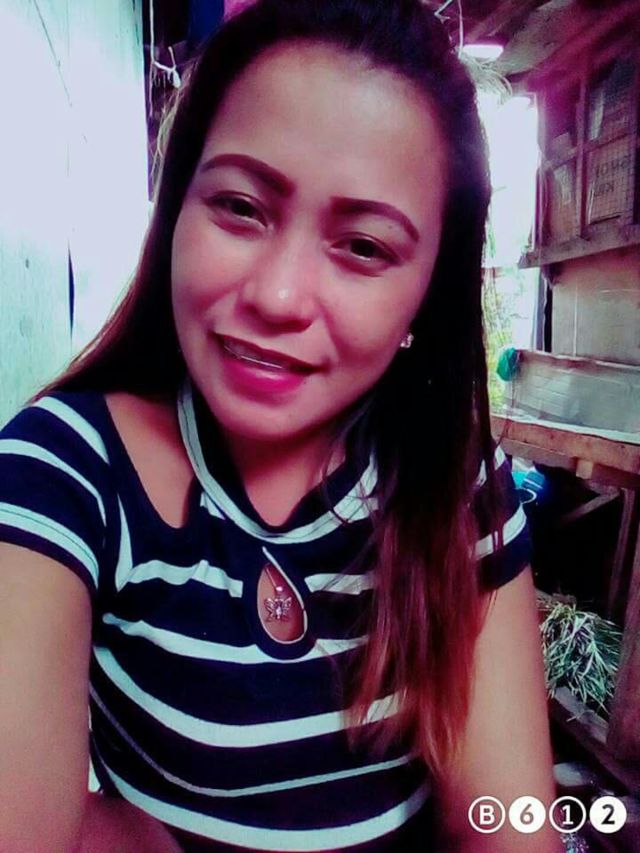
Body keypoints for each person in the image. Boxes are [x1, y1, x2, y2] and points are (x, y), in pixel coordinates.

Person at [0, 1, 562, 850]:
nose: (278, 295)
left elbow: (510, 825)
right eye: (239, 206)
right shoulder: (66, 477)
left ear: (428, 294)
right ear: (175, 210)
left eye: (364, 247)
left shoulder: (450, 485)